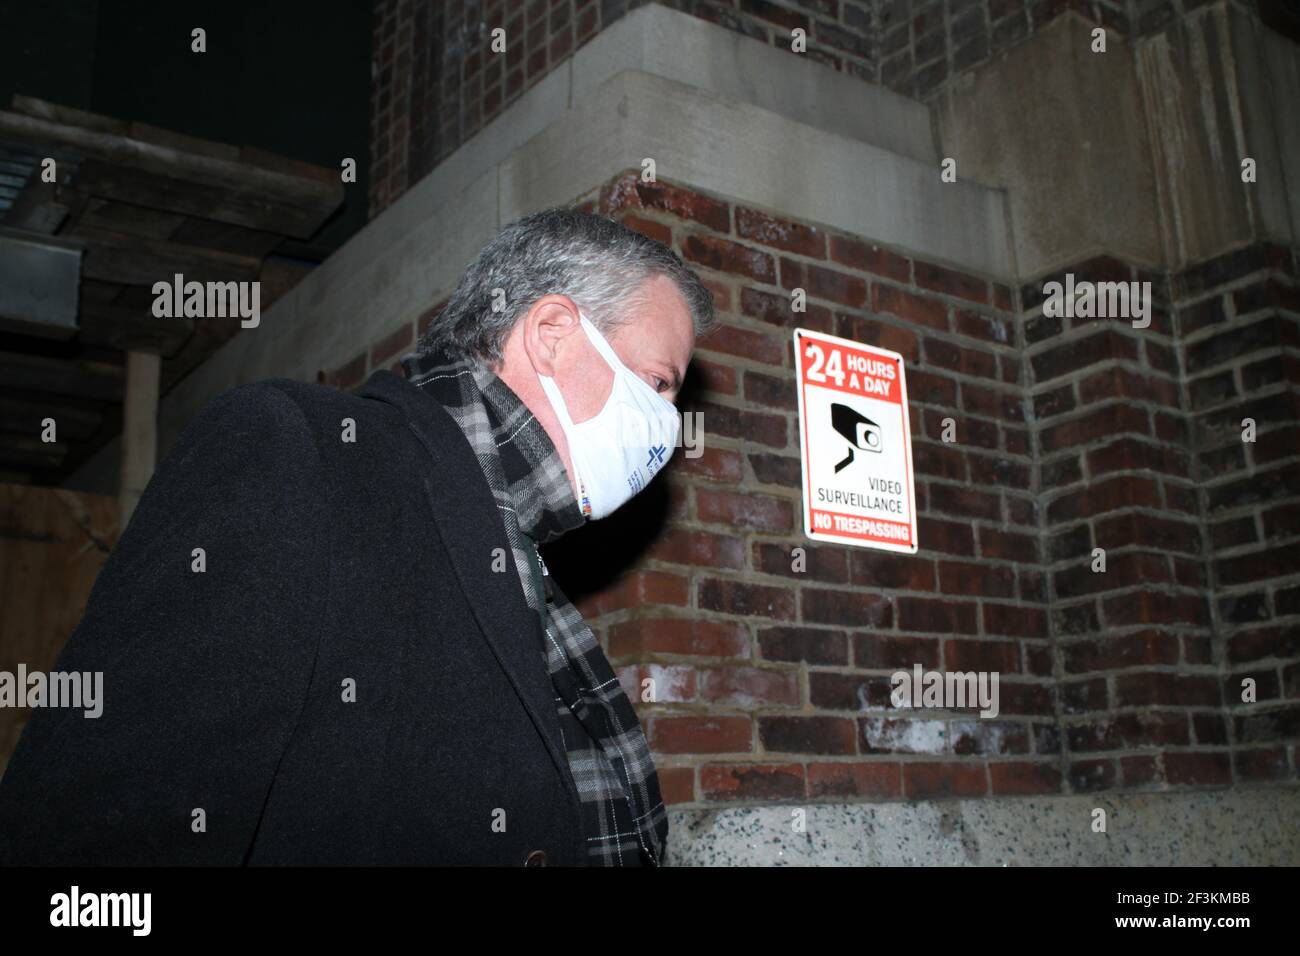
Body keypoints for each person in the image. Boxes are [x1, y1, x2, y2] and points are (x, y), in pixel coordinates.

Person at [0, 208, 715, 866]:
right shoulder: (298, 453)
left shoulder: (510, 554)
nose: (666, 424)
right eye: (657, 383)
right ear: (552, 333)